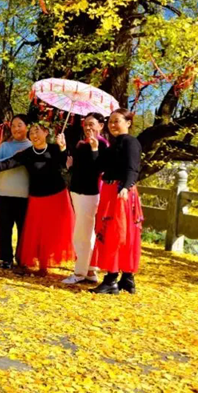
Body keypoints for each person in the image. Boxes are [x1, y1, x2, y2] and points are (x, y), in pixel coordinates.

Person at [0, 123, 74, 276]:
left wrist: (63, 147)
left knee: (54, 231)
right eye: (31, 132)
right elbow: (7, 163)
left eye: (37, 131)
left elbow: (64, 163)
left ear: (46, 132)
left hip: (57, 196)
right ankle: (41, 265)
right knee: (38, 232)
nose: (34, 135)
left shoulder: (54, 148)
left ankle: (54, 263)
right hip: (37, 197)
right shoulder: (27, 153)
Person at [89, 108, 144, 294]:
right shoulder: (113, 145)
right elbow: (98, 167)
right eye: (110, 121)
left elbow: (133, 168)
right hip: (111, 190)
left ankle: (111, 279)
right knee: (118, 232)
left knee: (117, 232)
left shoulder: (130, 142)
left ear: (128, 123)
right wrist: (95, 148)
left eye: (116, 121)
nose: (112, 125)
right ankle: (127, 278)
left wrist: (126, 187)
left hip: (121, 192)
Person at [62, 112, 110, 285]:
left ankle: (80, 272)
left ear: (100, 126)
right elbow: (77, 167)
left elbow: (99, 169)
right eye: (86, 124)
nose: (88, 127)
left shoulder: (103, 144)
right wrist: (67, 158)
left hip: (90, 192)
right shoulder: (81, 144)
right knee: (84, 230)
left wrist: (95, 149)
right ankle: (89, 269)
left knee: (83, 232)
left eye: (92, 124)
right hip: (77, 190)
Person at [0, 115, 32, 270]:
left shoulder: (32, 146)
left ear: (27, 127)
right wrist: (14, 157)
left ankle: (22, 258)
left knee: (24, 230)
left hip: (24, 195)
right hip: (5, 193)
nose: (16, 129)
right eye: (13, 126)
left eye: (19, 125)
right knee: (5, 228)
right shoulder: (5, 146)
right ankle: (6, 258)